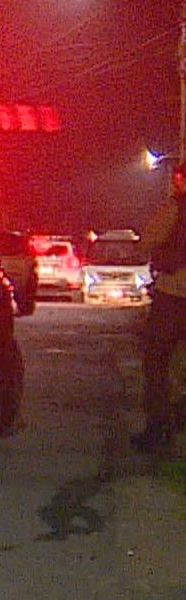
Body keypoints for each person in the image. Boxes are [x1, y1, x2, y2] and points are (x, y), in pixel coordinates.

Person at [133, 166, 186, 455]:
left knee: (156, 361)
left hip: (174, 294)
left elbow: (149, 238)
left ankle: (158, 427)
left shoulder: (176, 207)